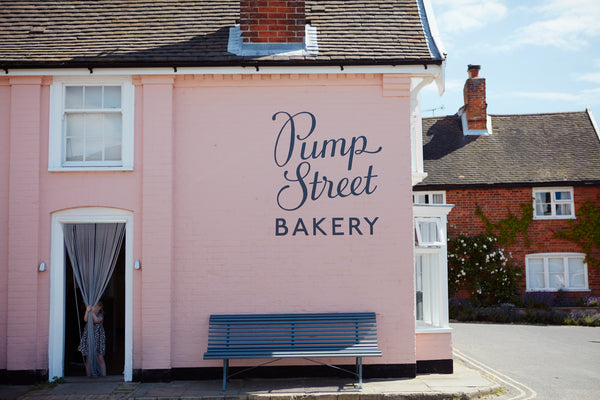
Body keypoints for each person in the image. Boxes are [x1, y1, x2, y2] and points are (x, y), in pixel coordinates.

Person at [77, 301, 106, 377]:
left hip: (98, 338)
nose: (94, 308)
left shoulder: (100, 315)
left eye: (96, 307)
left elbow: (96, 320)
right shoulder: (90, 315)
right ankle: (88, 375)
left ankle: (104, 375)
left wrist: (92, 313)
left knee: (100, 356)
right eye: (93, 307)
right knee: (88, 358)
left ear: (100, 308)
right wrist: (87, 311)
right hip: (89, 337)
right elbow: (85, 319)